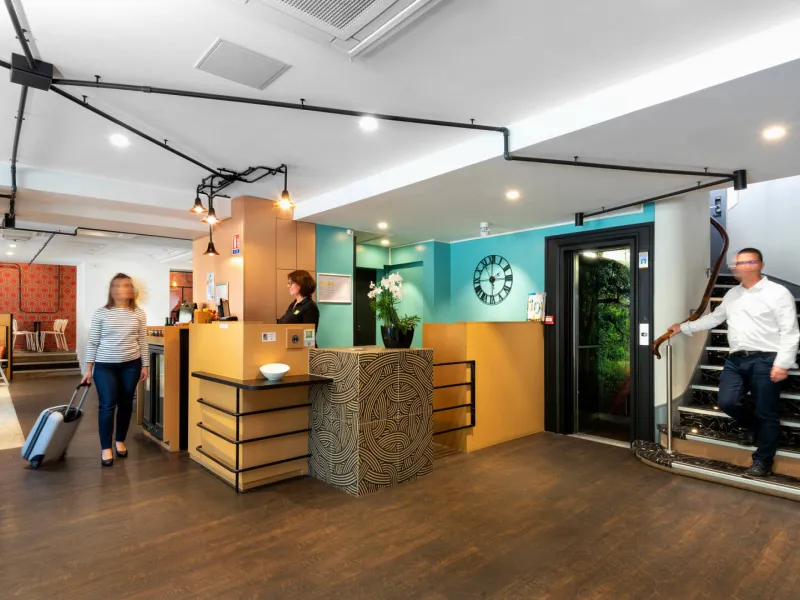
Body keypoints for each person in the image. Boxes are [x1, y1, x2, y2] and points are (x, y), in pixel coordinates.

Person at [669, 248, 799, 477]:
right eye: (737, 263)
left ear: (758, 265)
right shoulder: (732, 294)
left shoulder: (778, 293)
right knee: (727, 401)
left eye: (744, 262)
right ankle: (753, 426)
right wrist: (684, 327)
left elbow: (790, 331)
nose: (738, 267)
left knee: (766, 412)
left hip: (767, 359)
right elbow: (715, 318)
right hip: (736, 360)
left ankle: (762, 461)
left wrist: (783, 363)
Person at [81, 273, 149, 467]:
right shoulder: (101, 313)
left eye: (126, 285)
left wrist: (145, 365)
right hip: (105, 366)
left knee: (126, 404)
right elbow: (93, 342)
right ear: (111, 290)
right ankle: (106, 447)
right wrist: (88, 369)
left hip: (131, 365)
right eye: (117, 286)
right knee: (107, 404)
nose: (122, 289)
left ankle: (120, 440)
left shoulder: (139, 313)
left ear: (132, 290)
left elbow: (142, 340)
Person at [278, 270, 320, 337]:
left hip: (299, 343)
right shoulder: (293, 304)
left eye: (291, 283)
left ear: (301, 284)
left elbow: (308, 335)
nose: (288, 286)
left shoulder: (310, 306)